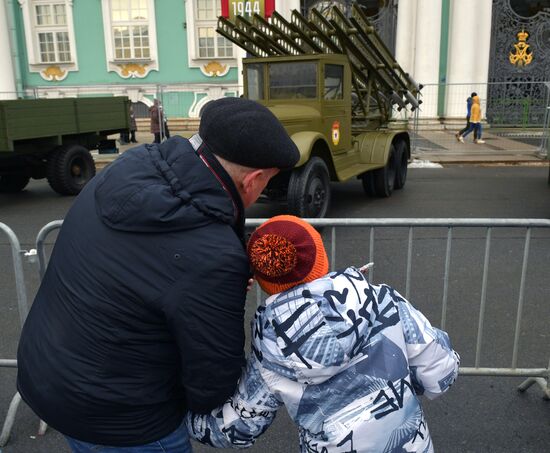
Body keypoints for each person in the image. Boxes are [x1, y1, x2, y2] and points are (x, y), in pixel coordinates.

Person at [16, 98, 300, 452]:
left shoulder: (133, 165)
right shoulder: (211, 256)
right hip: (122, 418)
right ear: (254, 179)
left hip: (50, 375)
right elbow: (212, 381)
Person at [188, 215, 460, 453]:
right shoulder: (382, 301)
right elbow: (440, 371)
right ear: (320, 257)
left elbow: (240, 426)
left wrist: (181, 418)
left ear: (263, 279)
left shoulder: (269, 351)